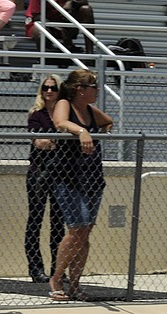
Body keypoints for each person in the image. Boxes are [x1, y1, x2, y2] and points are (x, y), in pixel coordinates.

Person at [49, 69, 113, 301]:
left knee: (85, 233)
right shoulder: (65, 103)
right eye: (93, 86)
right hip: (70, 178)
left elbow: (108, 121)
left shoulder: (90, 110)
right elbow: (60, 122)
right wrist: (81, 131)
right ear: (80, 89)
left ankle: (75, 284)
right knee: (76, 229)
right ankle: (57, 278)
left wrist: (99, 132)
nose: (97, 90)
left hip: (92, 178)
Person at [26, 74, 64, 284]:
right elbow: (39, 142)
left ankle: (58, 269)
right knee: (35, 219)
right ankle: (36, 269)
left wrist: (53, 141)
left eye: (53, 88)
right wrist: (59, 141)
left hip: (61, 172)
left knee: (58, 223)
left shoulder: (64, 114)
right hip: (39, 171)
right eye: (46, 88)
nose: (49, 91)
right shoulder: (36, 114)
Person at [25, 0, 95, 54]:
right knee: (39, 30)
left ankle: (90, 55)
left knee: (86, 9)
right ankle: (46, 56)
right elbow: (36, 16)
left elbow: (84, 1)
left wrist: (72, 2)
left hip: (65, 23)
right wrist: (57, 27)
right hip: (47, 25)